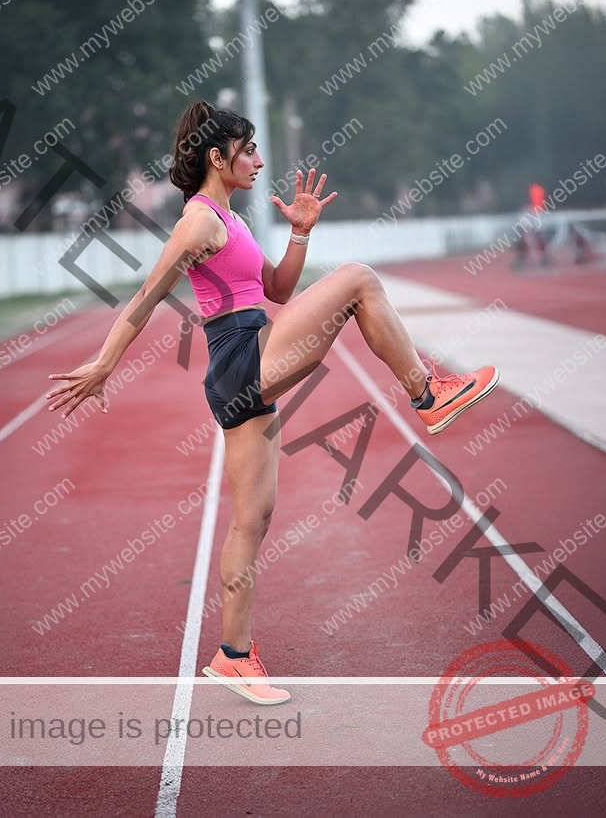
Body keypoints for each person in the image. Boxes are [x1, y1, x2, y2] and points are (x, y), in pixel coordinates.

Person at [46, 100, 500, 705]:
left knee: (252, 520)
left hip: (247, 361)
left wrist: (301, 232)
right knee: (359, 278)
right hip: (240, 357)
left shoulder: (230, 221)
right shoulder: (198, 222)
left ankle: (233, 656)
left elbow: (279, 290)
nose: (259, 162)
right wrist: (105, 364)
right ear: (218, 157)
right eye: (249, 151)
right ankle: (427, 394)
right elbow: (146, 298)